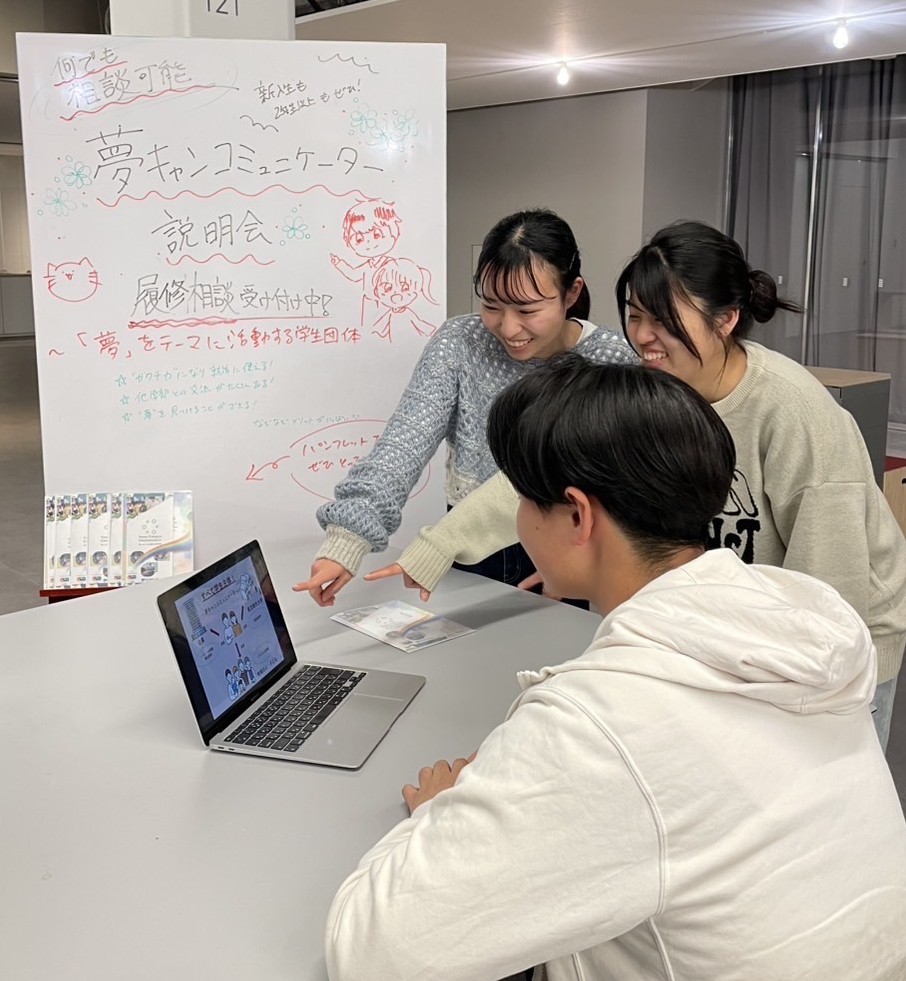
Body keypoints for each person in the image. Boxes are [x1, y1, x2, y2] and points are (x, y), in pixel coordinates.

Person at [325, 359, 906, 981]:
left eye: (524, 500)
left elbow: (375, 955)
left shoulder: (606, 721)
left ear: (578, 515)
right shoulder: (793, 627)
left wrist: (442, 812)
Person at [371, 220, 906, 750]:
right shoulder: (652, 391)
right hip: (719, 633)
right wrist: (440, 545)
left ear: (726, 319)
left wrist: (789, 690)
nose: (644, 337)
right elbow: (545, 470)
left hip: (833, 650)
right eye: (635, 316)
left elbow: (829, 596)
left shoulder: (794, 412)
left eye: (665, 320)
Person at [294, 208, 636, 607]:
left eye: (527, 310)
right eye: (491, 305)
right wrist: (347, 539)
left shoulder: (612, 361)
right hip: (468, 546)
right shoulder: (460, 342)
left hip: (566, 543)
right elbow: (403, 444)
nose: (508, 327)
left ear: (572, 293)